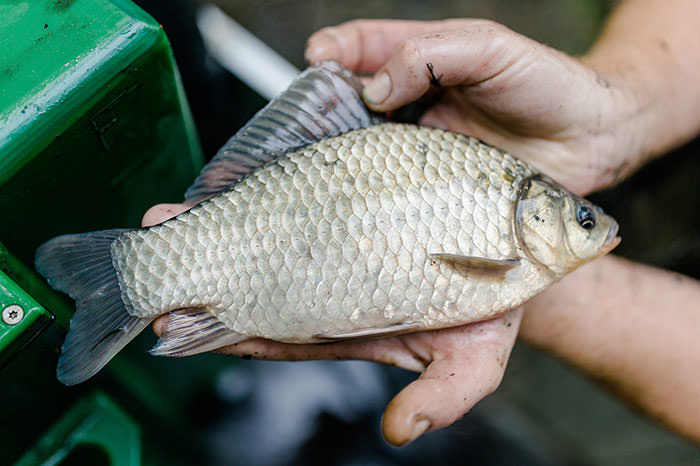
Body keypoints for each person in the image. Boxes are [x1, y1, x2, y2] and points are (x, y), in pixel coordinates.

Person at [144, 0, 700, 446]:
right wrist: (613, 115)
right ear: (533, 213)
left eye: (583, 220)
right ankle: (145, 274)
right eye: (581, 219)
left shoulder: (516, 235)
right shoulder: (513, 242)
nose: (593, 227)